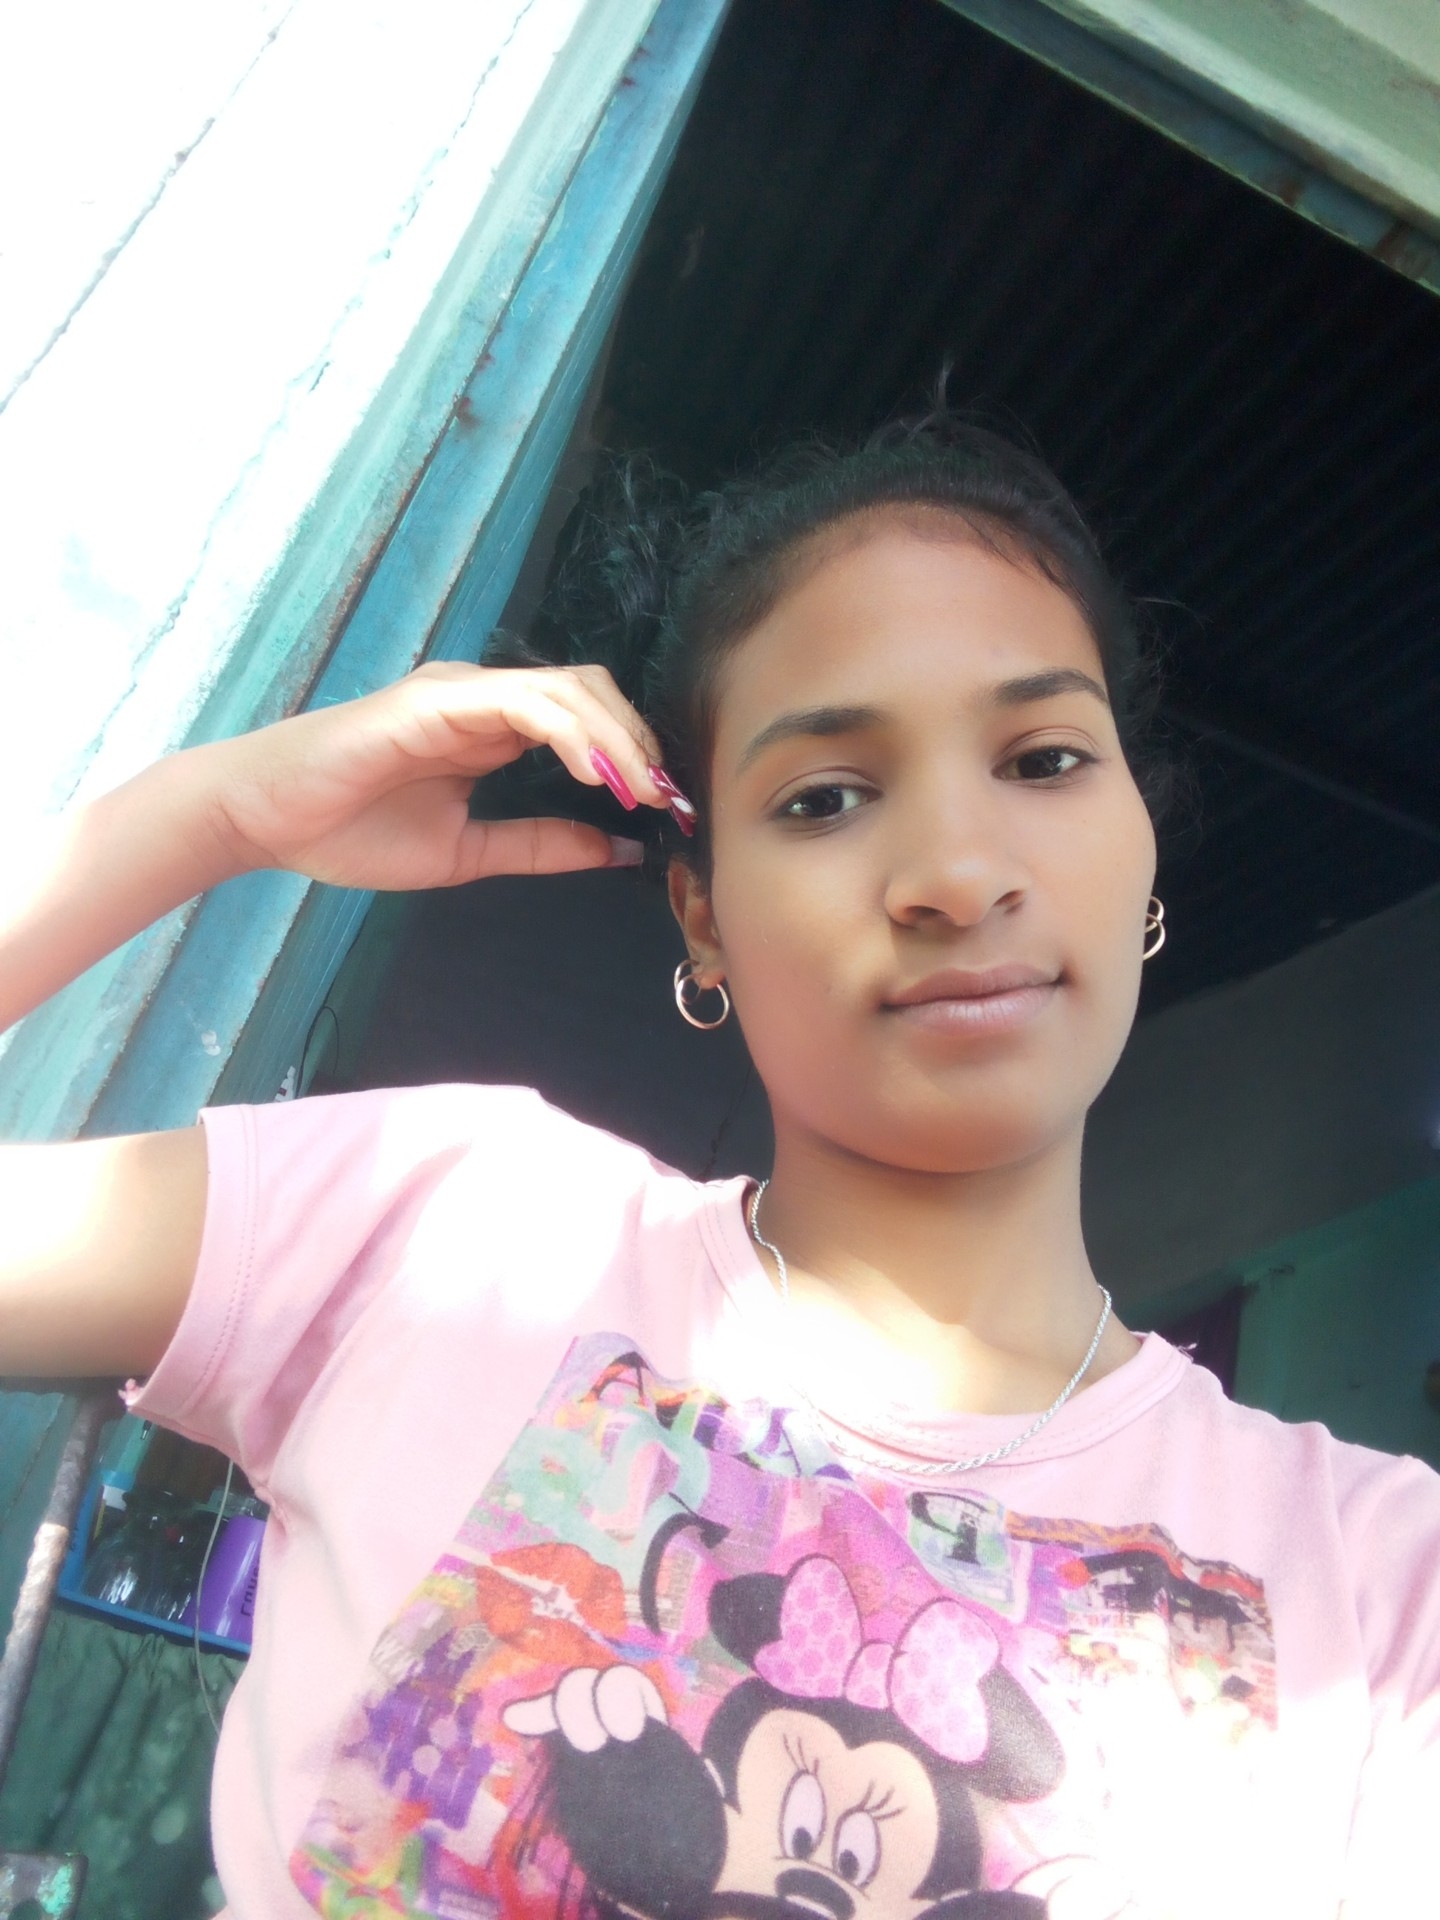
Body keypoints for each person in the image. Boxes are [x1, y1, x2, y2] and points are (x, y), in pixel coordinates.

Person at [1, 419, 1435, 1920]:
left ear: (1138, 843)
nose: (959, 874)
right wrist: (211, 815)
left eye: (1044, 760)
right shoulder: (447, 1229)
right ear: (703, 916)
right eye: (824, 797)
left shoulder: (1386, 1593)